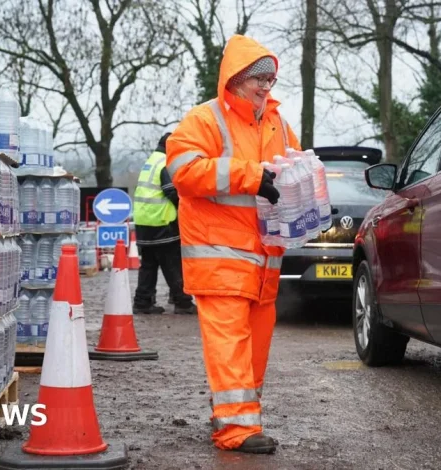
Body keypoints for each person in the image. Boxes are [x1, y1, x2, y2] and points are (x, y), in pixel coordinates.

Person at [165, 34, 300, 454]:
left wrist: (310, 198)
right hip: (220, 257)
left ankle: (237, 418)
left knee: (254, 347)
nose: (265, 87)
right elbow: (184, 172)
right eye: (258, 78)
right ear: (236, 78)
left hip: (263, 261)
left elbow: (293, 168)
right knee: (231, 344)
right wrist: (252, 176)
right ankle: (236, 430)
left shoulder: (277, 122)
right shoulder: (205, 119)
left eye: (271, 80)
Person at [132, 133, 197, 315]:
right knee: (172, 263)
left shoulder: (151, 161)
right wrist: (188, 210)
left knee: (149, 264)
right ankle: (182, 302)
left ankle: (143, 302)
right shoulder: (166, 164)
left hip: (144, 221)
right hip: (162, 221)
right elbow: (172, 192)